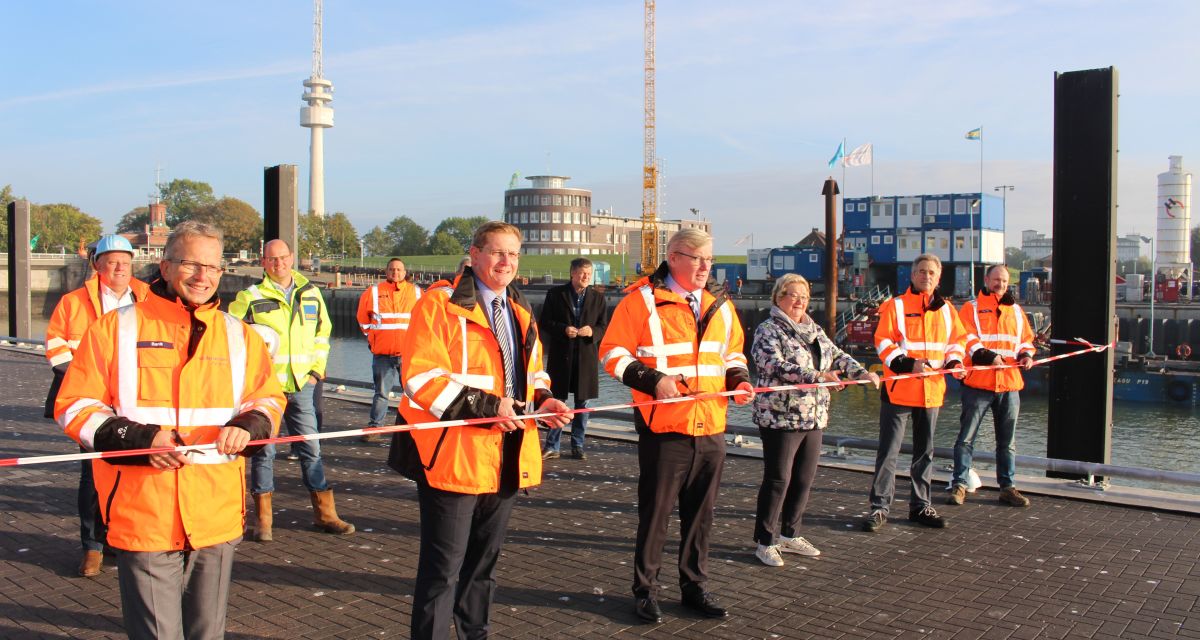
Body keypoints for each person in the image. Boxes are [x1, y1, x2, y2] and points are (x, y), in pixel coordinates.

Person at [55, 221, 284, 639]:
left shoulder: (239, 335)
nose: (203, 276)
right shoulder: (114, 328)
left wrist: (250, 425)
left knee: (207, 633)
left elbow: (268, 399)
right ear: (164, 265)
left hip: (216, 512)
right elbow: (74, 407)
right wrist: (140, 440)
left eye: (213, 267)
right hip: (146, 509)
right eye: (191, 264)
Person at [388, 221, 570, 639]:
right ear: (474, 254)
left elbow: (533, 374)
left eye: (514, 255)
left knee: (484, 567)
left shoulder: (522, 312)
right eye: (497, 252)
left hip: (507, 454)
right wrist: (489, 407)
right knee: (442, 571)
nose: (506, 262)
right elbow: (420, 379)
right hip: (454, 458)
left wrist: (544, 401)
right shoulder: (438, 305)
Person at [599, 228, 754, 623]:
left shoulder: (720, 305)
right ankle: (645, 590)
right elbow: (612, 354)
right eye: (696, 258)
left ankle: (694, 586)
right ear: (672, 257)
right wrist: (653, 381)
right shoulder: (641, 302)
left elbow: (732, 353)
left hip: (711, 427)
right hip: (665, 428)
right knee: (656, 514)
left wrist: (738, 381)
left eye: (709, 259)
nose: (705, 266)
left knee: (702, 516)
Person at [230, 239, 354, 542]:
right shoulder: (250, 297)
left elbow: (322, 333)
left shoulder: (310, 293)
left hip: (301, 386)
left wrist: (316, 371)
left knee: (311, 447)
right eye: (272, 260)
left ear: (291, 258)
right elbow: (230, 336)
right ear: (263, 262)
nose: (278, 264)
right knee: (264, 452)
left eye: (283, 258)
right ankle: (264, 522)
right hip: (265, 390)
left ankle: (325, 514)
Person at [750, 274, 879, 566]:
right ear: (778, 297)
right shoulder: (768, 330)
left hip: (813, 416)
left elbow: (837, 355)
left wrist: (860, 372)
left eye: (804, 296)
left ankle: (791, 535)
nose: (799, 301)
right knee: (778, 479)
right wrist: (817, 377)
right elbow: (773, 365)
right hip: (780, 417)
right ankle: (765, 541)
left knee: (804, 479)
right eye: (793, 295)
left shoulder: (813, 329)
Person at [43, 235, 151, 578]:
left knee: (129, 471)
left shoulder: (146, 298)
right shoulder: (73, 302)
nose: (120, 269)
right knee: (92, 475)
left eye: (125, 263)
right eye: (112, 263)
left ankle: (119, 538)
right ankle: (92, 546)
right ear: (98, 265)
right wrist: (82, 378)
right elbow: (56, 345)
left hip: (135, 399)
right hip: (90, 400)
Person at [862, 254, 971, 533]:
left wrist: (956, 363)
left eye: (931, 272)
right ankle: (879, 507)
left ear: (938, 276)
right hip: (899, 390)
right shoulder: (896, 306)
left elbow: (956, 344)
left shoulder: (948, 310)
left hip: (931, 392)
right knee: (889, 452)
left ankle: (921, 506)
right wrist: (909, 364)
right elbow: (883, 342)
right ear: (912, 275)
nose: (926, 276)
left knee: (925, 453)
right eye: (921, 271)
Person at [949, 264, 1036, 507]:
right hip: (979, 383)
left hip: (1008, 384)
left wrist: (1027, 355)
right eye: (997, 279)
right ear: (987, 280)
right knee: (966, 438)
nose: (1000, 284)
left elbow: (1026, 341)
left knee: (1007, 442)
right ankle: (960, 484)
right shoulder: (971, 309)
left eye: (1005, 281)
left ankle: (1007, 488)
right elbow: (966, 338)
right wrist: (988, 357)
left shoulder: (1017, 312)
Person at [539, 257, 608, 460]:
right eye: (582, 273)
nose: (586, 277)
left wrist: (591, 332)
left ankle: (578, 445)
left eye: (589, 273)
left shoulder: (598, 297)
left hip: (586, 357)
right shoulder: (555, 294)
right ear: (572, 273)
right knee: (558, 401)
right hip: (561, 356)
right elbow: (544, 322)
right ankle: (553, 446)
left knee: (582, 404)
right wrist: (563, 329)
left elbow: (603, 327)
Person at [357, 258, 423, 441]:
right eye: (392, 269)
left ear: (405, 272)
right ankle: (375, 428)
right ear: (386, 272)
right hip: (382, 354)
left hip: (409, 354)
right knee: (381, 393)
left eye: (399, 270)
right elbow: (363, 319)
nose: (395, 273)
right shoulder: (374, 292)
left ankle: (412, 429)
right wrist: (373, 338)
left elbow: (424, 321)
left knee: (412, 394)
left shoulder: (417, 293)